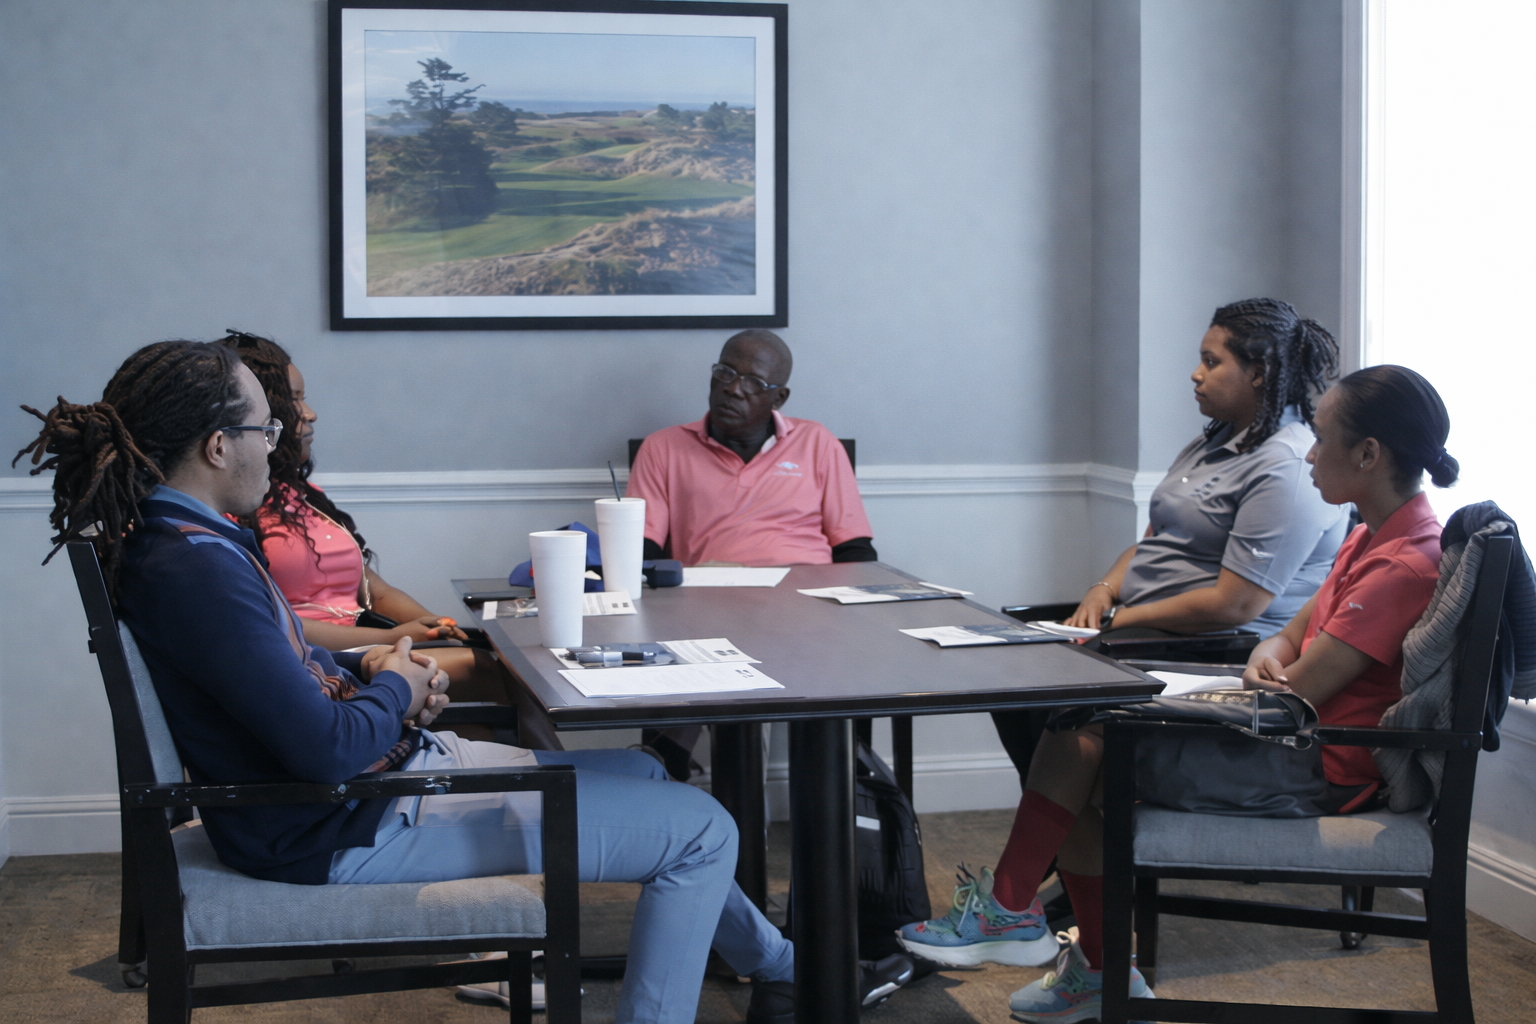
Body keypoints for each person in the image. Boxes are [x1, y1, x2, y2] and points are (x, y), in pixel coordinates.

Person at [15, 339, 911, 1024]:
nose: (277, 445)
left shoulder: (185, 544)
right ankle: (780, 973)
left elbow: (283, 673)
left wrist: (375, 665)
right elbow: (322, 747)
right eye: (266, 431)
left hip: (361, 793)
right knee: (704, 830)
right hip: (344, 824)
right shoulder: (199, 568)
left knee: (647, 772)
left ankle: (784, 970)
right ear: (218, 446)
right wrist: (398, 692)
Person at [895, 364, 1457, 1023]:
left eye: (1323, 437)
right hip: (1288, 736)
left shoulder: (1405, 563)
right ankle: (1079, 958)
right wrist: (1266, 657)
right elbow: (1286, 641)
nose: (1310, 453)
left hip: (1319, 765)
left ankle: (1024, 918)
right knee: (1080, 737)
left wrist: (1267, 668)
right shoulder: (1368, 534)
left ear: (1368, 454)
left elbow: (1302, 687)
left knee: (1081, 736)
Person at [992, 299, 1349, 816]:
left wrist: (1118, 620)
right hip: (1138, 626)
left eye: (1212, 361)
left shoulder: (1287, 465)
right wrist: (1102, 591)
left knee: (1060, 692)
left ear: (1258, 373)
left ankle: (1066, 838)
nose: (1196, 374)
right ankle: (1069, 837)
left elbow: (1234, 604)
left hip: (1214, 645)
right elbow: (1153, 543)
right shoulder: (1214, 443)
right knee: (1009, 671)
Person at [218, 331, 558, 749]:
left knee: (495, 687)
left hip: (372, 644)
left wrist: (433, 625)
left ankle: (543, 778)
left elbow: (373, 588)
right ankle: (562, 779)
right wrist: (395, 638)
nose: (310, 413)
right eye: (295, 399)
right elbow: (282, 626)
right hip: (324, 663)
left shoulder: (306, 497)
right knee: (491, 670)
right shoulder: (234, 511)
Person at [626, 328, 877, 777]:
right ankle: (670, 774)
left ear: (778, 398)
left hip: (806, 610)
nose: (733, 388)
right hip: (706, 607)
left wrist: (853, 619)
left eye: (753, 382)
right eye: (725, 372)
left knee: (827, 675)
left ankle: (836, 790)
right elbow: (642, 552)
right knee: (688, 656)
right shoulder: (663, 448)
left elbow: (855, 549)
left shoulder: (817, 443)